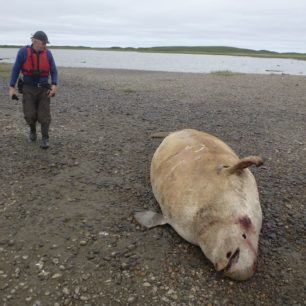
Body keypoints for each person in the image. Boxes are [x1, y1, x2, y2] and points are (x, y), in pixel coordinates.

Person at [9, 31, 58, 149]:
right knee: (29, 114)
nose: (45, 45)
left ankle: (45, 138)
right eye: (44, 43)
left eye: (46, 43)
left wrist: (54, 85)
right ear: (35, 41)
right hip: (28, 88)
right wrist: (12, 87)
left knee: (44, 115)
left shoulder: (48, 54)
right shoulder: (23, 52)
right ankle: (32, 130)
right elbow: (15, 70)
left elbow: (54, 71)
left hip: (43, 89)